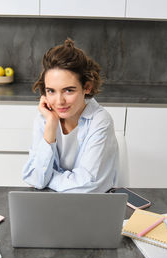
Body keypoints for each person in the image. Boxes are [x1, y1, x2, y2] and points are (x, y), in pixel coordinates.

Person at [22, 38, 119, 193]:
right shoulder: (45, 118)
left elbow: (87, 187)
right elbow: (35, 178)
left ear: (86, 87)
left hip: (92, 206)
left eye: (68, 90)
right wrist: (51, 125)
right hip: (50, 204)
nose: (59, 101)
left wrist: (48, 179)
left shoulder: (101, 121)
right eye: (51, 91)